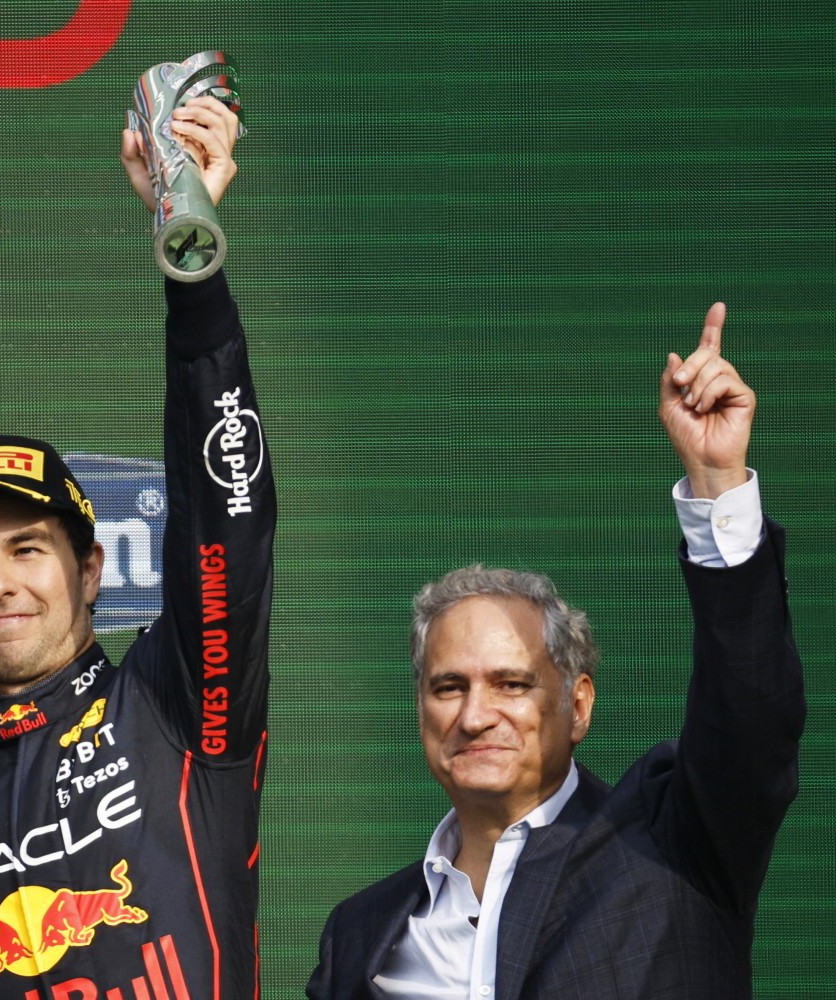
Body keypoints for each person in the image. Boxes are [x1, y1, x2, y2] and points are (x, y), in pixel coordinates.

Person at [0, 97, 275, 1000]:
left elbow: (230, 525)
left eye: (27, 548)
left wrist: (194, 275)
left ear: (89, 570)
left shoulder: (175, 703)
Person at [306, 304, 804, 998]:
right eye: (449, 687)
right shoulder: (359, 936)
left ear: (577, 704)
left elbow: (753, 720)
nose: (475, 715)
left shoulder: (673, 844)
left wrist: (717, 484)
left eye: (511, 684)